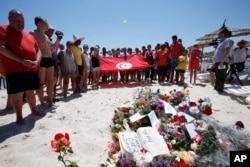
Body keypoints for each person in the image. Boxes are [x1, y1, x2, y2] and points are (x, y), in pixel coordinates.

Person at [0, 9, 44, 124]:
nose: (20, 23)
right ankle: (19, 117)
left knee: (31, 92)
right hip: (15, 69)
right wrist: (21, 61)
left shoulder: (29, 35)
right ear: (9, 19)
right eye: (16, 20)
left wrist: (37, 61)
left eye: (22, 20)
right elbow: (1, 48)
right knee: (18, 94)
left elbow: (38, 50)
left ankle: (34, 110)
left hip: (32, 68)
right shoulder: (3, 29)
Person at [30, 16, 61, 108]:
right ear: (39, 24)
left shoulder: (46, 36)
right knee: (41, 83)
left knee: (50, 83)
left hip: (49, 59)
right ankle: (42, 104)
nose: (47, 24)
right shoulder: (33, 33)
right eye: (46, 22)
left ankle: (51, 102)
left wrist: (58, 39)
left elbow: (52, 50)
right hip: (41, 59)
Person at [213, 28, 233, 93]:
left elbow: (226, 51)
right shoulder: (221, 41)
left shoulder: (227, 40)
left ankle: (220, 89)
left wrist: (222, 61)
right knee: (217, 75)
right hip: (218, 61)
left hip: (222, 61)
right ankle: (217, 87)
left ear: (223, 34)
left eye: (219, 33)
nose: (218, 35)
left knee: (221, 75)